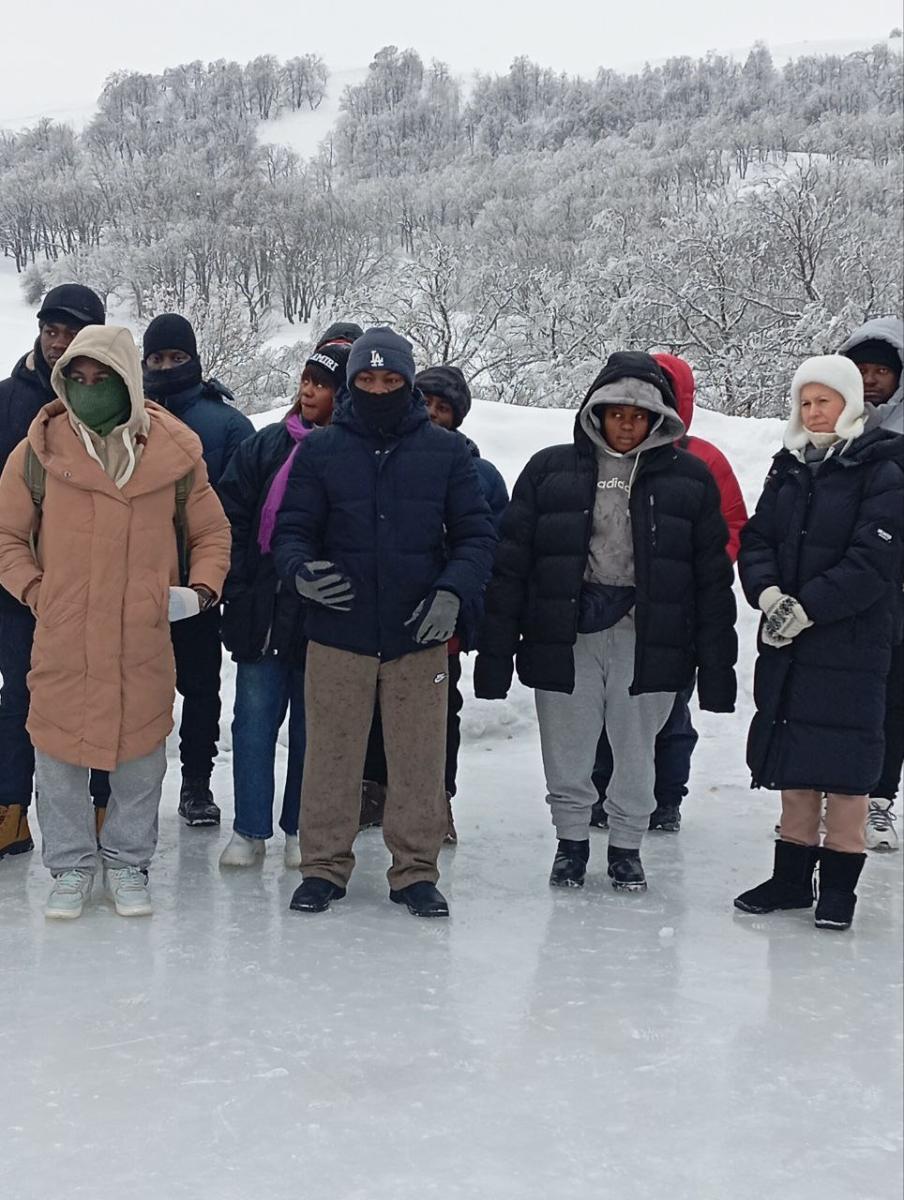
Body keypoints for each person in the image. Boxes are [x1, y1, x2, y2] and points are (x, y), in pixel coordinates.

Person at [475, 352, 737, 892]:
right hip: (565, 632)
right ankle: (571, 843)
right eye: (616, 412)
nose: (627, 424)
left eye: (639, 415)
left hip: (650, 637)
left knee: (637, 749)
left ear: (658, 418)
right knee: (567, 746)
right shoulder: (549, 470)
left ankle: (626, 847)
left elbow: (711, 579)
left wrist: (716, 668)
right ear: (595, 412)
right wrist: (496, 652)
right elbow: (512, 566)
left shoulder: (689, 480)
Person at [0, 325, 230, 918]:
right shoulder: (37, 452)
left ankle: (129, 862)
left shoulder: (175, 454)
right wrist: (36, 590)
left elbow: (211, 532)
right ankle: (71, 867)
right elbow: (7, 536)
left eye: (102, 378)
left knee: (140, 755)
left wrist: (200, 591)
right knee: (57, 755)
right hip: (64, 634)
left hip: (142, 635)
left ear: (128, 380)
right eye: (77, 378)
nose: (89, 388)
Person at [272, 327, 496, 917]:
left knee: (419, 760)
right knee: (329, 757)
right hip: (337, 630)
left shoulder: (447, 453)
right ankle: (322, 866)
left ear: (408, 382)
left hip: (416, 634)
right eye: (367, 379)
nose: (378, 390)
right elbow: (291, 531)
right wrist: (299, 570)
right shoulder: (320, 450)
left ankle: (416, 870)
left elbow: (476, 536)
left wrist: (453, 591)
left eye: (390, 379)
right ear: (352, 383)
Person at [734, 355, 904, 931]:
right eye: (804, 402)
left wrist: (808, 608)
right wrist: (769, 597)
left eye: (824, 401)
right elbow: (757, 539)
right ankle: (789, 880)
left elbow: (873, 560)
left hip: (852, 647)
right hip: (790, 645)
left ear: (850, 402)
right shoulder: (788, 467)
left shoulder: (882, 468)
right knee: (795, 763)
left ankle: (838, 891)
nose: (813, 412)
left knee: (847, 773)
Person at [591, 352, 748, 833]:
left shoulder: (704, 460)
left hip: (677, 612)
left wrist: (694, 571)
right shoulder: (604, 457)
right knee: (606, 710)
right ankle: (602, 791)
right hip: (613, 612)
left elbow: (732, 526)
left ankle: (666, 796)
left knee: (671, 710)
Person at [360, 364, 510, 841]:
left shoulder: (481, 474)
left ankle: (437, 799)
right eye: (425, 401)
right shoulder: (379, 457)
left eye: (443, 408)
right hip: (381, 615)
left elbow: (490, 547)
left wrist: (463, 600)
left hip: (444, 619)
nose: (431, 413)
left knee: (441, 714)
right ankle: (373, 791)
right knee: (374, 708)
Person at [216, 342, 350, 868]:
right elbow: (228, 516)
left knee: (312, 730)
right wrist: (240, 583)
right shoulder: (265, 445)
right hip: (263, 610)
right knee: (252, 722)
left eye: (324, 384)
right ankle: (249, 829)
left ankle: (299, 827)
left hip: (323, 615)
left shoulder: (352, 454)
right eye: (307, 379)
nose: (309, 391)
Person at [133, 313, 255, 828]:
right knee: (133, 690)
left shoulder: (228, 425)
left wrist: (223, 579)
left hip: (199, 586)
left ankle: (197, 784)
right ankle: (125, 790)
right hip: (133, 584)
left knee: (201, 688)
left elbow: (244, 511)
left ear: (195, 359)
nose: (166, 367)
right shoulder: (123, 416)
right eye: (157, 358)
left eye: (177, 357)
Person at [0, 284, 108, 863]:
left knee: (102, 692)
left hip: (98, 583)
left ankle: (103, 807)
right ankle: (11, 810)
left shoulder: (115, 402)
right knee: (20, 694)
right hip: (19, 587)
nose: (58, 343)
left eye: (71, 333)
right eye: (51, 331)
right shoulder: (6, 401)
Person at [838, 317, 904, 851]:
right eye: (861, 368)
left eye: (882, 369)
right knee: (835, 695)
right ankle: (831, 798)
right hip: (839, 590)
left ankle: (878, 801)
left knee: (891, 699)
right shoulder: (827, 428)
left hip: (897, 593)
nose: (871, 379)